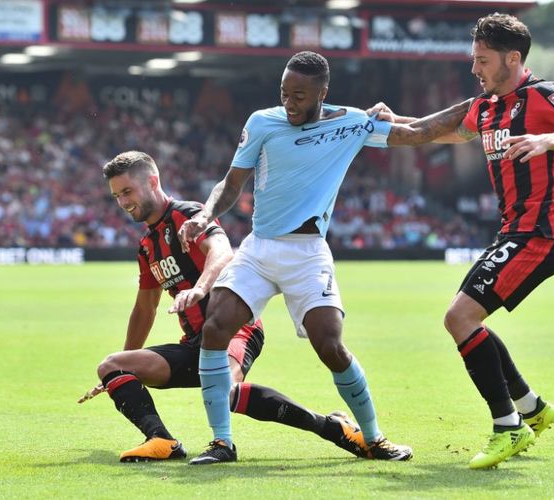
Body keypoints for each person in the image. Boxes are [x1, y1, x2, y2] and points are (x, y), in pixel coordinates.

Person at [177, 51, 471, 465]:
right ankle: (221, 442)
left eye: (299, 95)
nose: (289, 103)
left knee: (329, 345)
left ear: (322, 93)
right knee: (215, 327)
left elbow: (420, 132)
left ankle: (374, 439)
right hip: (259, 248)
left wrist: (478, 104)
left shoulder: (350, 122)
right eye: (284, 93)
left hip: (307, 253)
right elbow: (232, 183)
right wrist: (206, 213)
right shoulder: (262, 122)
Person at [368, 13, 554, 469]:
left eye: (482, 61)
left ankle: (509, 427)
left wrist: (550, 140)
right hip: (515, 234)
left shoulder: (543, 96)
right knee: (468, 320)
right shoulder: (483, 107)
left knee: (459, 317)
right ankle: (531, 409)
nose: (475, 69)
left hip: (542, 234)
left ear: (513, 58)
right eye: (473, 59)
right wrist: (388, 122)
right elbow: (424, 131)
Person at [80, 150, 367, 463]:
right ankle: (161, 440)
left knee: (226, 391)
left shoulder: (187, 214)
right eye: (116, 195)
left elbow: (222, 251)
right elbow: (144, 309)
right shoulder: (148, 246)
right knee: (110, 365)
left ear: (152, 182)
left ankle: (332, 428)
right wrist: (124, 367)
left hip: (234, 330)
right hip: (194, 345)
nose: (122, 202)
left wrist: (200, 289)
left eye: (127, 191)